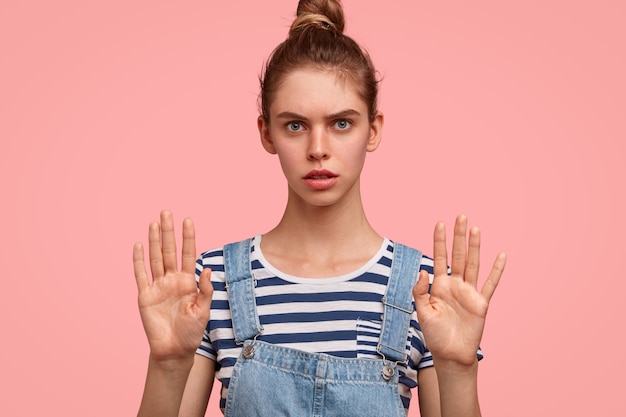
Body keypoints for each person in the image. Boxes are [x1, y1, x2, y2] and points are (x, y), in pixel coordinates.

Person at [132, 0, 507, 416]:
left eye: (341, 123)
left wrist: (458, 369)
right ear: (267, 133)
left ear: (374, 129)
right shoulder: (211, 284)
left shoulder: (427, 292)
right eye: (295, 125)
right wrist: (166, 365)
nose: (318, 149)